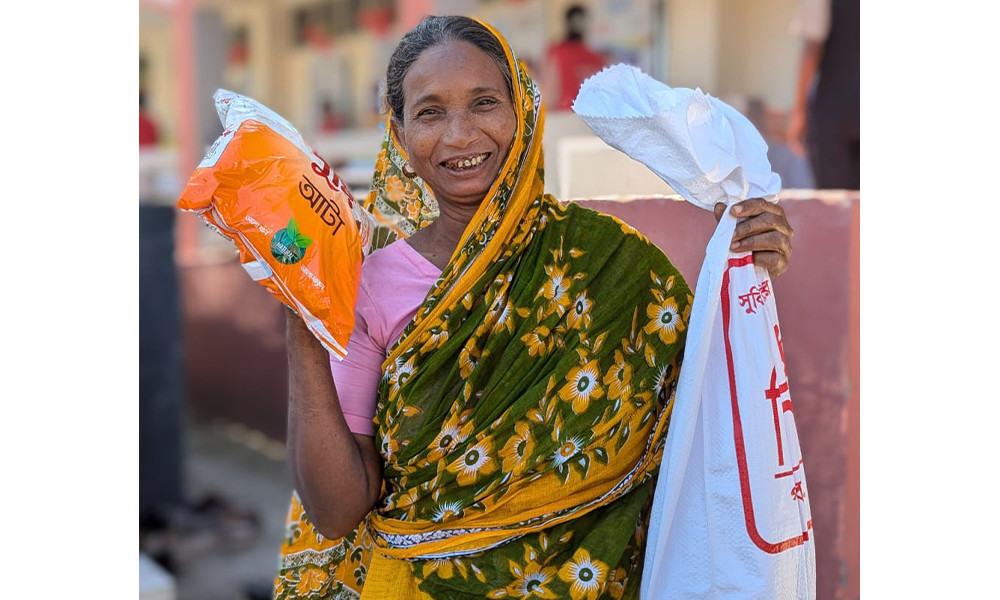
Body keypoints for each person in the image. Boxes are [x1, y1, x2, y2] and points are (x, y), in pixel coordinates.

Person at [273, 16, 793, 600]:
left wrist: (746, 273)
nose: (461, 134)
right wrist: (302, 320)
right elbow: (337, 512)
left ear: (523, 110)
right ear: (397, 135)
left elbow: (705, 403)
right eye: (430, 112)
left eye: (485, 103)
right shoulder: (371, 285)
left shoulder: (603, 259)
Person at [785, 0, 859, 189]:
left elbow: (812, 49)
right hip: (838, 115)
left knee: (835, 204)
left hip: (835, 115)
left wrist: (798, 112)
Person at [543, 4, 609, 111]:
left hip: (565, 117)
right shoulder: (597, 58)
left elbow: (548, 94)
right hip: (593, 118)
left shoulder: (557, 52)